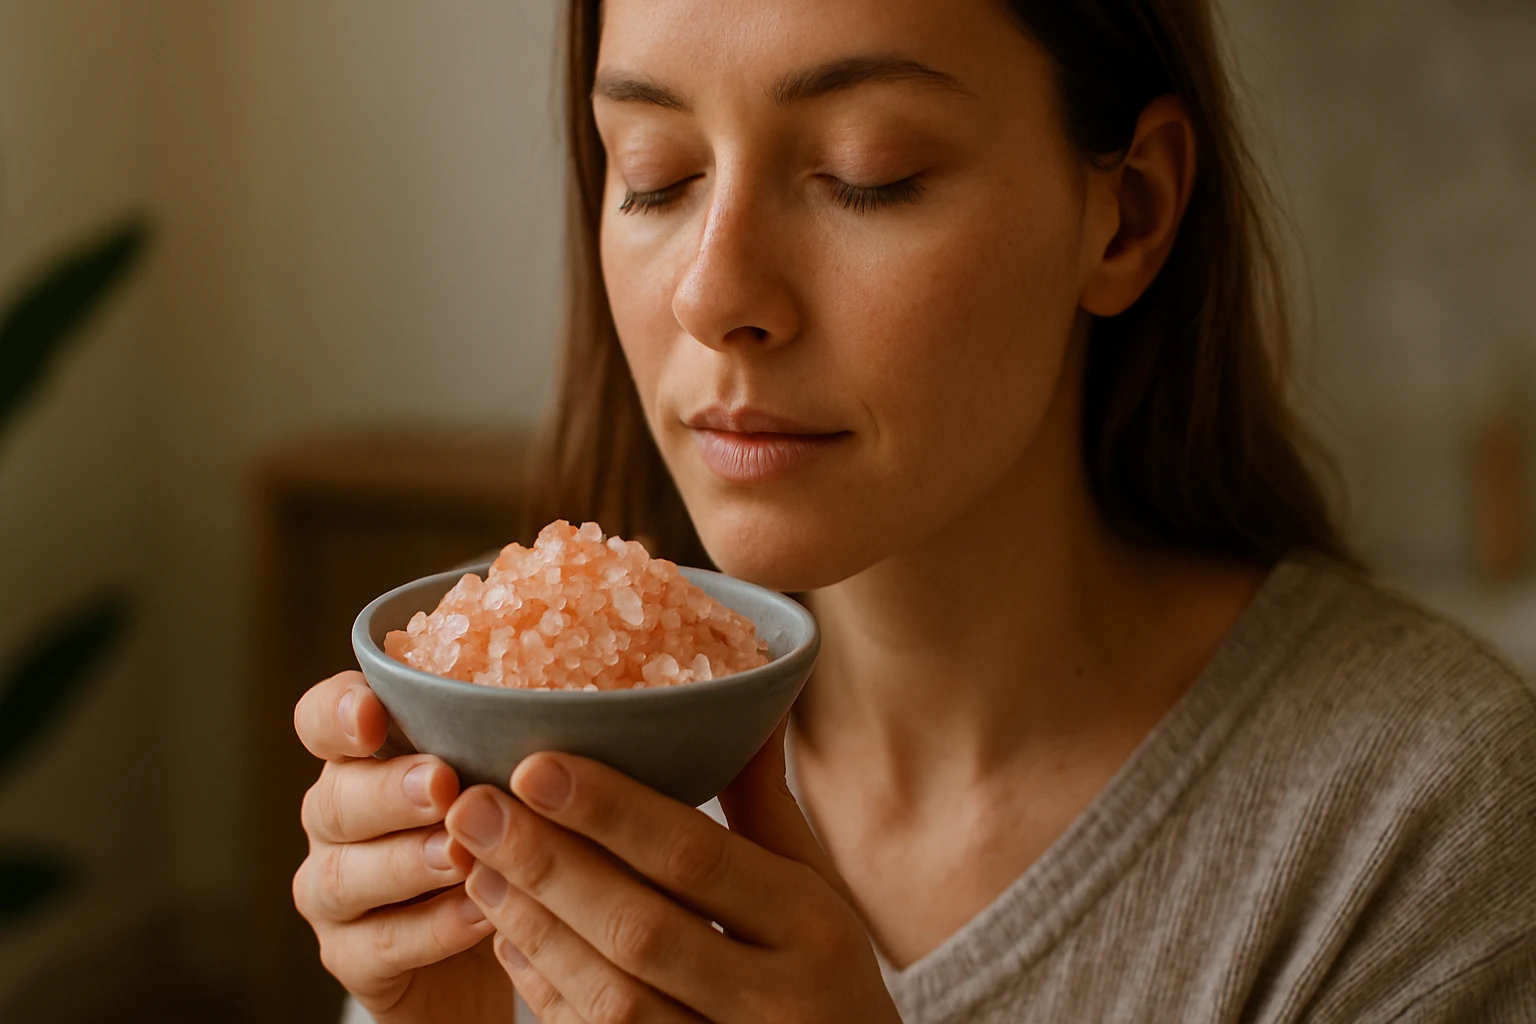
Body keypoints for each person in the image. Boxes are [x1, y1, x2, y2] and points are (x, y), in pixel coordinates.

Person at [292, 0, 1536, 1021]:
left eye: (863, 176)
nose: (714, 293)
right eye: (655, 175)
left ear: (1131, 211)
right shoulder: (541, 763)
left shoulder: (1423, 823)